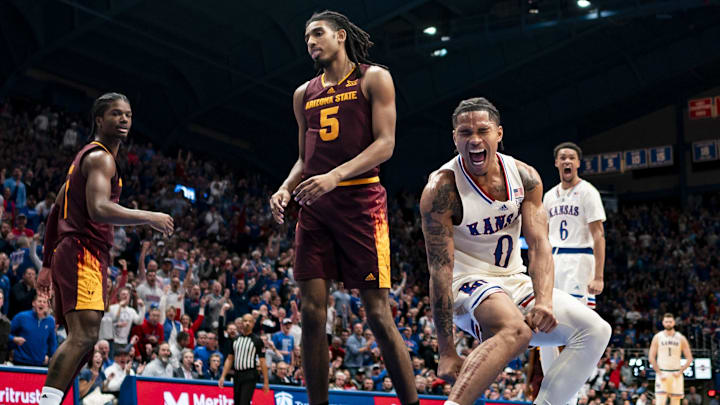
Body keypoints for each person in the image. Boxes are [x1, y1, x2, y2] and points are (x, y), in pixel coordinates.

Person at [420, 97, 611, 405]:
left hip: (513, 279)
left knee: (596, 330)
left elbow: (538, 246)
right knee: (517, 331)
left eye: (483, 130)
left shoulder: (525, 177)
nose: (474, 139)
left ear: (499, 133)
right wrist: (446, 350)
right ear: (455, 138)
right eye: (465, 133)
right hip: (466, 282)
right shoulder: (441, 189)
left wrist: (545, 300)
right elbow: (439, 270)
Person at [269, 10, 417, 405]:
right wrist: (285, 188)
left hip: (362, 202)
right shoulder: (303, 93)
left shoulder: (374, 78)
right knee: (312, 314)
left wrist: (334, 176)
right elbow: (304, 157)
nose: (310, 42)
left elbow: (386, 144)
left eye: (317, 34)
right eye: (306, 38)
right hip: (315, 207)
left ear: (339, 37)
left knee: (378, 315)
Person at [35, 92, 174, 405]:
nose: (124, 119)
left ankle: (52, 400)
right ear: (99, 120)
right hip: (81, 251)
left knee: (85, 339)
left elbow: (57, 209)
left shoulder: (86, 160)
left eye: (127, 114)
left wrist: (46, 263)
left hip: (81, 253)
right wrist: (148, 217)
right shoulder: (100, 158)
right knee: (83, 336)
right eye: (115, 114)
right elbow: (98, 209)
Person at [540, 141, 607, 404]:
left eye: (571, 158)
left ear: (578, 163)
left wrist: (599, 275)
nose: (567, 162)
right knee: (546, 325)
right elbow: (541, 238)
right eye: (562, 158)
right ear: (556, 163)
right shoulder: (549, 196)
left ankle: (573, 394)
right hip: (553, 261)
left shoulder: (588, 192)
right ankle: (551, 392)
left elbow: (599, 235)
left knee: (579, 330)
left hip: (580, 262)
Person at [219, 314, 269, 405]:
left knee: (244, 402)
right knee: (237, 402)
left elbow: (262, 361)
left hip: (250, 374)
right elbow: (230, 359)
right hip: (237, 374)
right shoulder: (235, 340)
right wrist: (223, 376)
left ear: (253, 324)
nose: (247, 323)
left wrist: (266, 381)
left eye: (250, 321)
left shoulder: (257, 340)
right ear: (241, 323)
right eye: (245, 321)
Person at [648, 313, 693, 405]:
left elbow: (689, 358)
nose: (668, 323)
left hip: (676, 374)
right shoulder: (657, 337)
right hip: (662, 373)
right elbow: (651, 357)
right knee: (660, 402)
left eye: (670, 322)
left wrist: (680, 371)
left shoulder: (681, 338)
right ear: (663, 323)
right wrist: (659, 373)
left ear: (674, 323)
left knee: (675, 402)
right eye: (666, 321)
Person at [9, 294, 56, 366]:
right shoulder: (21, 317)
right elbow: (5, 334)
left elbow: (52, 343)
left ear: (48, 305)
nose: (42, 304)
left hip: (40, 363)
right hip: (20, 361)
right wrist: (14, 339)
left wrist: (52, 357)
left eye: (44, 302)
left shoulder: (51, 321)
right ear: (33, 303)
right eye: (39, 301)